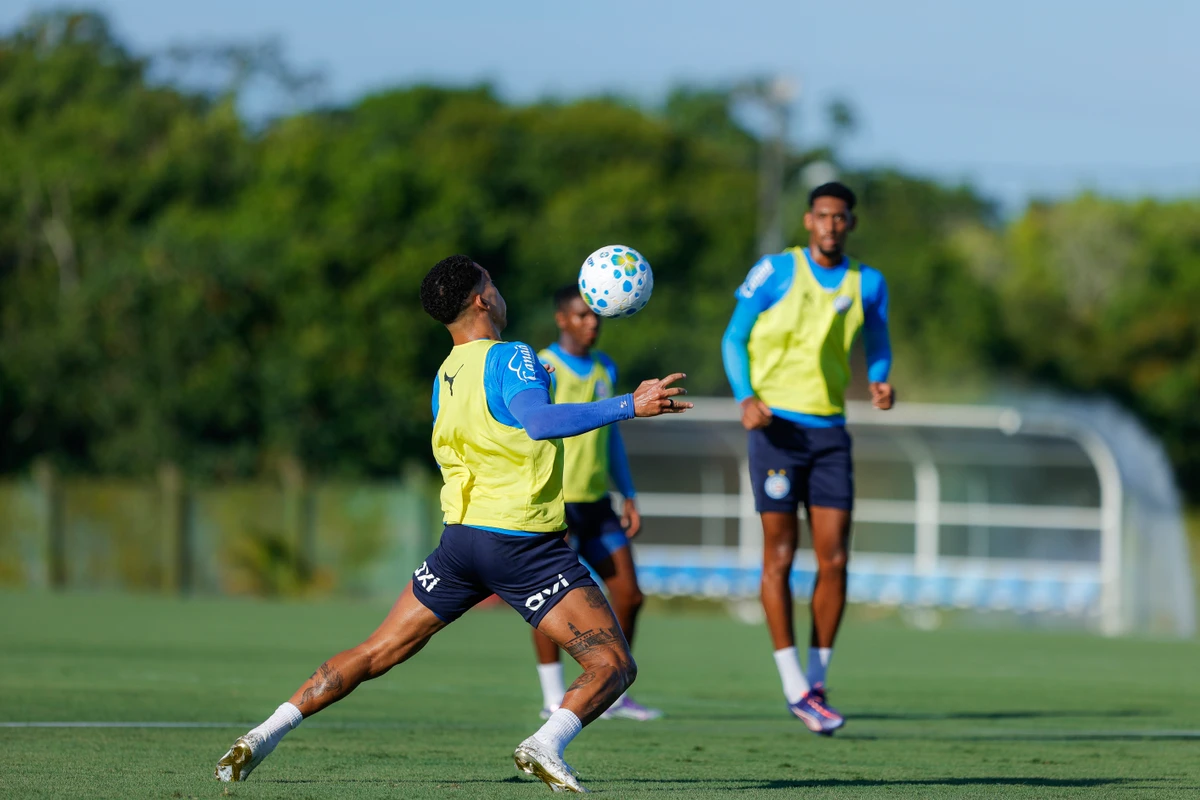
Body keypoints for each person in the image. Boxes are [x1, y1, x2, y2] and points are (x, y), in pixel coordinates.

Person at [214, 255, 691, 793]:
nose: (500, 291)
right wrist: (631, 403)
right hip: (522, 546)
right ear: (483, 300)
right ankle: (544, 743)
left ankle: (262, 734)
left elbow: (500, 424)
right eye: (494, 283)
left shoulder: (445, 373)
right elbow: (536, 424)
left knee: (375, 652)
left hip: (461, 544)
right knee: (613, 665)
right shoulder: (515, 357)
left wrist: (536, 384)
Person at [721, 182, 894, 735]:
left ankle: (817, 681)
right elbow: (733, 338)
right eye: (822, 216)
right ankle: (793, 681)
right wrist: (746, 396)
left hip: (829, 435)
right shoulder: (774, 271)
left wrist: (881, 378)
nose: (831, 225)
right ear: (807, 220)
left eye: (840, 217)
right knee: (779, 556)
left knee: (835, 559)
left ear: (851, 223)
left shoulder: (867, 283)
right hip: (776, 430)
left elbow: (881, 341)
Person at [529, 285, 662, 722]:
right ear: (561, 320)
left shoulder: (605, 366)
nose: (592, 323)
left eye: (596, 317)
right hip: (556, 504)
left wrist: (629, 492)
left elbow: (613, 435)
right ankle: (552, 697)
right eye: (581, 316)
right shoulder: (542, 365)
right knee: (548, 602)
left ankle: (612, 693)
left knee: (630, 593)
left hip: (598, 504)